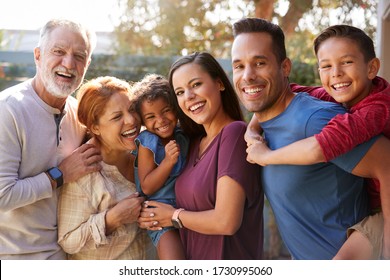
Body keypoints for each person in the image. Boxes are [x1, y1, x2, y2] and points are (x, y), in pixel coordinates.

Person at [231, 17, 390, 260]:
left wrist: (268, 156)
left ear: (285, 67)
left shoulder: (337, 115)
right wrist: (252, 129)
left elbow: (381, 160)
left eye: (260, 63)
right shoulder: (327, 96)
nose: (248, 75)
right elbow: (292, 91)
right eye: (239, 66)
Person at [138, 52, 264, 260]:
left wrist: (172, 216)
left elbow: (226, 221)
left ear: (219, 83)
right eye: (179, 92)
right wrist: (151, 214)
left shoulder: (234, 134)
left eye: (196, 85)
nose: (188, 96)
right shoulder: (193, 143)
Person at [0, 19, 102, 260]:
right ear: (38, 55)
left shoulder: (80, 115)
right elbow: (2, 196)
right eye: (58, 51)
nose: (68, 63)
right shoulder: (8, 110)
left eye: (79, 56)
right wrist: (60, 175)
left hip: (66, 257)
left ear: (86, 65)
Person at [57, 76, 156, 260]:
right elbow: (68, 240)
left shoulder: (148, 147)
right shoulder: (84, 170)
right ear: (95, 127)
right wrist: (112, 219)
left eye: (132, 109)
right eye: (117, 117)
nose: (131, 120)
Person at [132, 74, 188, 259]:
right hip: (159, 214)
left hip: (187, 211)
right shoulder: (148, 143)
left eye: (166, 111)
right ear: (142, 121)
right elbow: (147, 186)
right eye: (151, 116)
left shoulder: (183, 135)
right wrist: (167, 162)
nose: (161, 120)